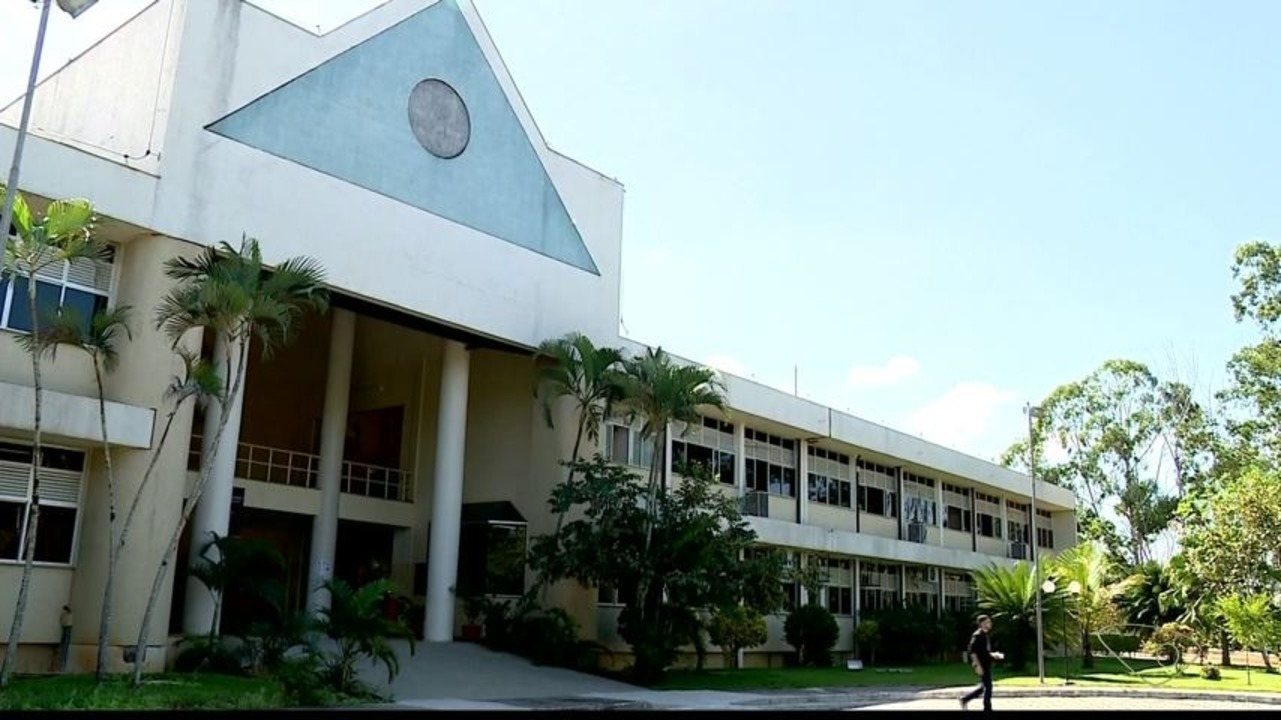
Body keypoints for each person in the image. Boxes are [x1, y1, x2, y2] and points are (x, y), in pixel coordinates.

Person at [960, 614, 1003, 711]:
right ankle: (987, 708)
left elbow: (983, 652)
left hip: (986, 663)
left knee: (984, 687)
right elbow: (972, 651)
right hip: (982, 665)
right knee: (988, 687)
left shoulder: (985, 634)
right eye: (988, 622)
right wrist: (977, 665)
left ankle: (965, 699)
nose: (990, 624)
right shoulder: (977, 635)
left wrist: (994, 655)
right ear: (982, 623)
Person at [57, 605, 73, 672]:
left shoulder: (69, 614)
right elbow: (61, 620)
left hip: (68, 627)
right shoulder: (65, 614)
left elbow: (62, 621)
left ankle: (64, 645)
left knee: (65, 641)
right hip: (65, 627)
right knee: (64, 641)